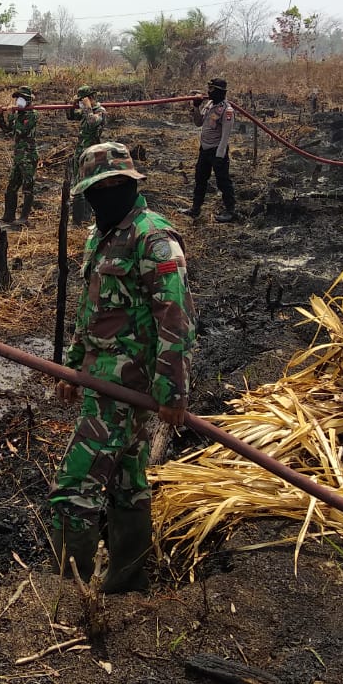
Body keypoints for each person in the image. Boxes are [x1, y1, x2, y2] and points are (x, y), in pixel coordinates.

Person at [51, 142, 196, 593]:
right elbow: (90, 309)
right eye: (99, 188)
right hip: (100, 379)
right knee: (127, 479)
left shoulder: (154, 237)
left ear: (132, 185)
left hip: (127, 387)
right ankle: (128, 582)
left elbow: (175, 317)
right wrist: (73, 366)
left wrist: (172, 391)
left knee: (73, 490)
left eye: (116, 186)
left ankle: (60, 597)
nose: (106, 195)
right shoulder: (103, 233)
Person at [182, 76, 236, 222]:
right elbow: (198, 123)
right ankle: (195, 209)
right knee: (200, 178)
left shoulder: (227, 110)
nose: (208, 92)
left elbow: (226, 135)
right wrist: (196, 106)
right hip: (204, 149)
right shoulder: (209, 105)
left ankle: (230, 211)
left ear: (220, 92)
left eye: (211, 90)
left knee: (223, 181)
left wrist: (220, 155)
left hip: (217, 150)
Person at [0, 86, 40, 225]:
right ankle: (8, 215)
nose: (18, 101)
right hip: (18, 156)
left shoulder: (31, 114)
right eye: (17, 98)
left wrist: (11, 115)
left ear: (28, 100)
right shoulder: (18, 114)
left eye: (22, 98)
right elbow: (8, 131)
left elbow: (21, 130)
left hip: (28, 156)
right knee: (11, 187)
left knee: (27, 186)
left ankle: (24, 218)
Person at [67, 85, 107, 225]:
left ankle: (86, 217)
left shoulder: (99, 111)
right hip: (80, 152)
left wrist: (87, 107)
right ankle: (77, 219)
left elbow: (92, 123)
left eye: (82, 100)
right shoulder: (85, 112)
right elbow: (71, 116)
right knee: (78, 184)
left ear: (89, 99)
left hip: (91, 154)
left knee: (89, 184)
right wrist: (72, 105)